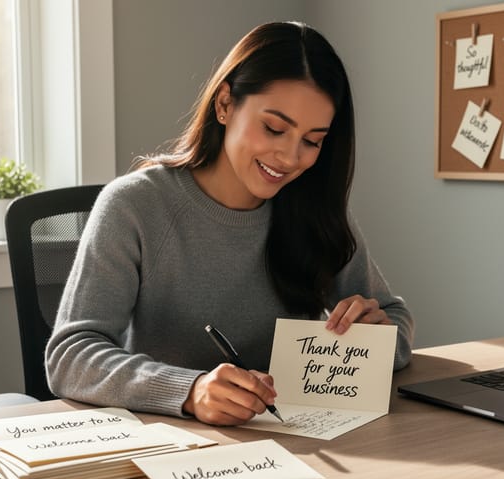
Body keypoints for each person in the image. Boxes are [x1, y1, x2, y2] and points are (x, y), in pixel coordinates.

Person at [46, 21, 414, 427]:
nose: (291, 158)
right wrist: (190, 390)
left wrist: (374, 335)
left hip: (299, 441)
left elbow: (395, 321)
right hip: (176, 449)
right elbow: (70, 356)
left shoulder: (315, 209)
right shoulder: (134, 206)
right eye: (274, 128)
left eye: (312, 141)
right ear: (224, 104)